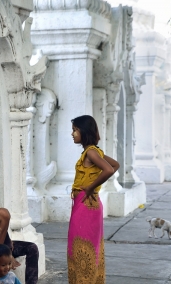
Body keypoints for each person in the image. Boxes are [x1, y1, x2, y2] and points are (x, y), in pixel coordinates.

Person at [68, 115, 119, 284]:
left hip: (86, 204)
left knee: (82, 248)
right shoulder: (93, 151)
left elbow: (109, 170)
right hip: (87, 204)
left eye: (75, 130)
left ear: (84, 131)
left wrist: (90, 187)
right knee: (87, 247)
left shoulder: (91, 151)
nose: (73, 133)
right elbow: (115, 164)